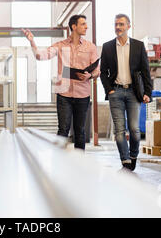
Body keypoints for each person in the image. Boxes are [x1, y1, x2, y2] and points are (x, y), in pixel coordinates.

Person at [22, 15, 100, 150]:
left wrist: (89, 75)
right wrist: (32, 42)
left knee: (80, 131)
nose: (86, 27)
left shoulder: (90, 47)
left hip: (83, 95)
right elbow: (40, 56)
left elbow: (97, 70)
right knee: (63, 130)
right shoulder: (60, 46)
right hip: (64, 95)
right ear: (74, 27)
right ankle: (59, 164)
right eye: (83, 24)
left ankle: (79, 163)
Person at [100, 14, 152, 171]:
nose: (118, 27)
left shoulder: (138, 45)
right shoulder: (108, 46)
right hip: (115, 92)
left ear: (129, 26)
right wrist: (109, 89)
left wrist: (147, 92)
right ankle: (125, 159)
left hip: (133, 92)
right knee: (119, 130)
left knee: (135, 130)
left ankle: (134, 154)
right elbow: (103, 72)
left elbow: (146, 71)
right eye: (116, 24)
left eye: (121, 24)